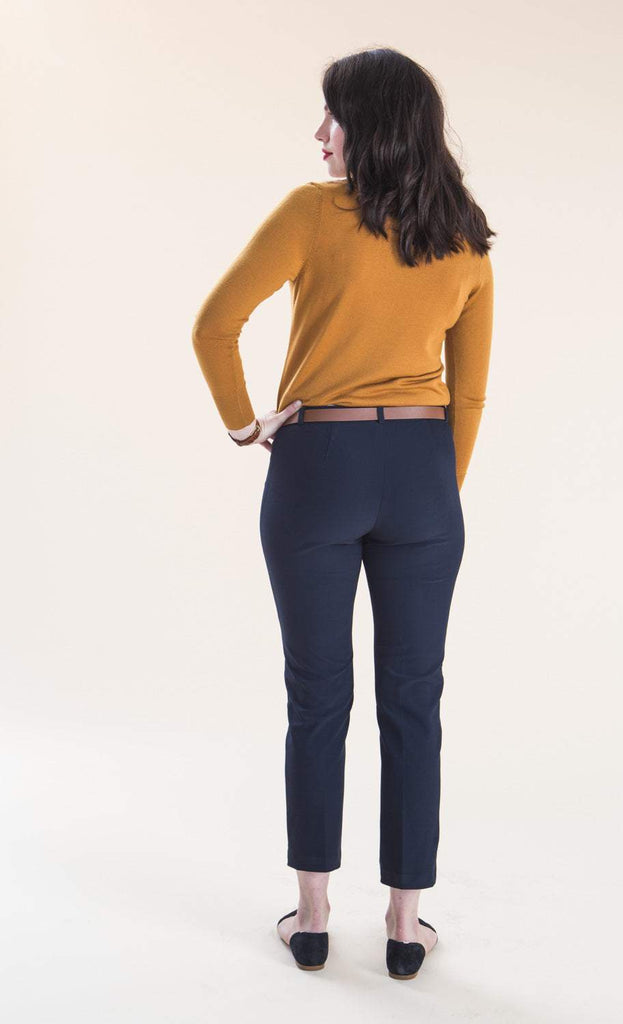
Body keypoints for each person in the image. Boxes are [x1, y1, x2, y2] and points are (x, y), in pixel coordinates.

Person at [191, 46, 495, 979]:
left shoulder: (311, 212)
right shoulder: (463, 233)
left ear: (372, 126)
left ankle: (314, 918)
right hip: (422, 471)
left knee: (317, 695)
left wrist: (246, 427)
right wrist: (432, 494)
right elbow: (468, 393)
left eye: (333, 115)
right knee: (414, 696)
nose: (319, 133)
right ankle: (404, 926)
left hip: (317, 463)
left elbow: (214, 325)